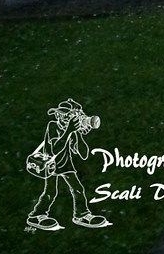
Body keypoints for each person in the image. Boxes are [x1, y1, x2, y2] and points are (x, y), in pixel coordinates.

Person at [26, 98, 110, 230]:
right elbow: (55, 149)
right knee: (51, 192)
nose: (63, 118)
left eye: (69, 115)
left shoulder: (71, 130)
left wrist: (79, 133)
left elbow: (84, 154)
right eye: (62, 114)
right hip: (51, 165)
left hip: (65, 164)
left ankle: (81, 215)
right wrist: (70, 131)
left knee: (78, 189)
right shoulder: (52, 126)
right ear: (57, 115)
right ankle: (36, 216)